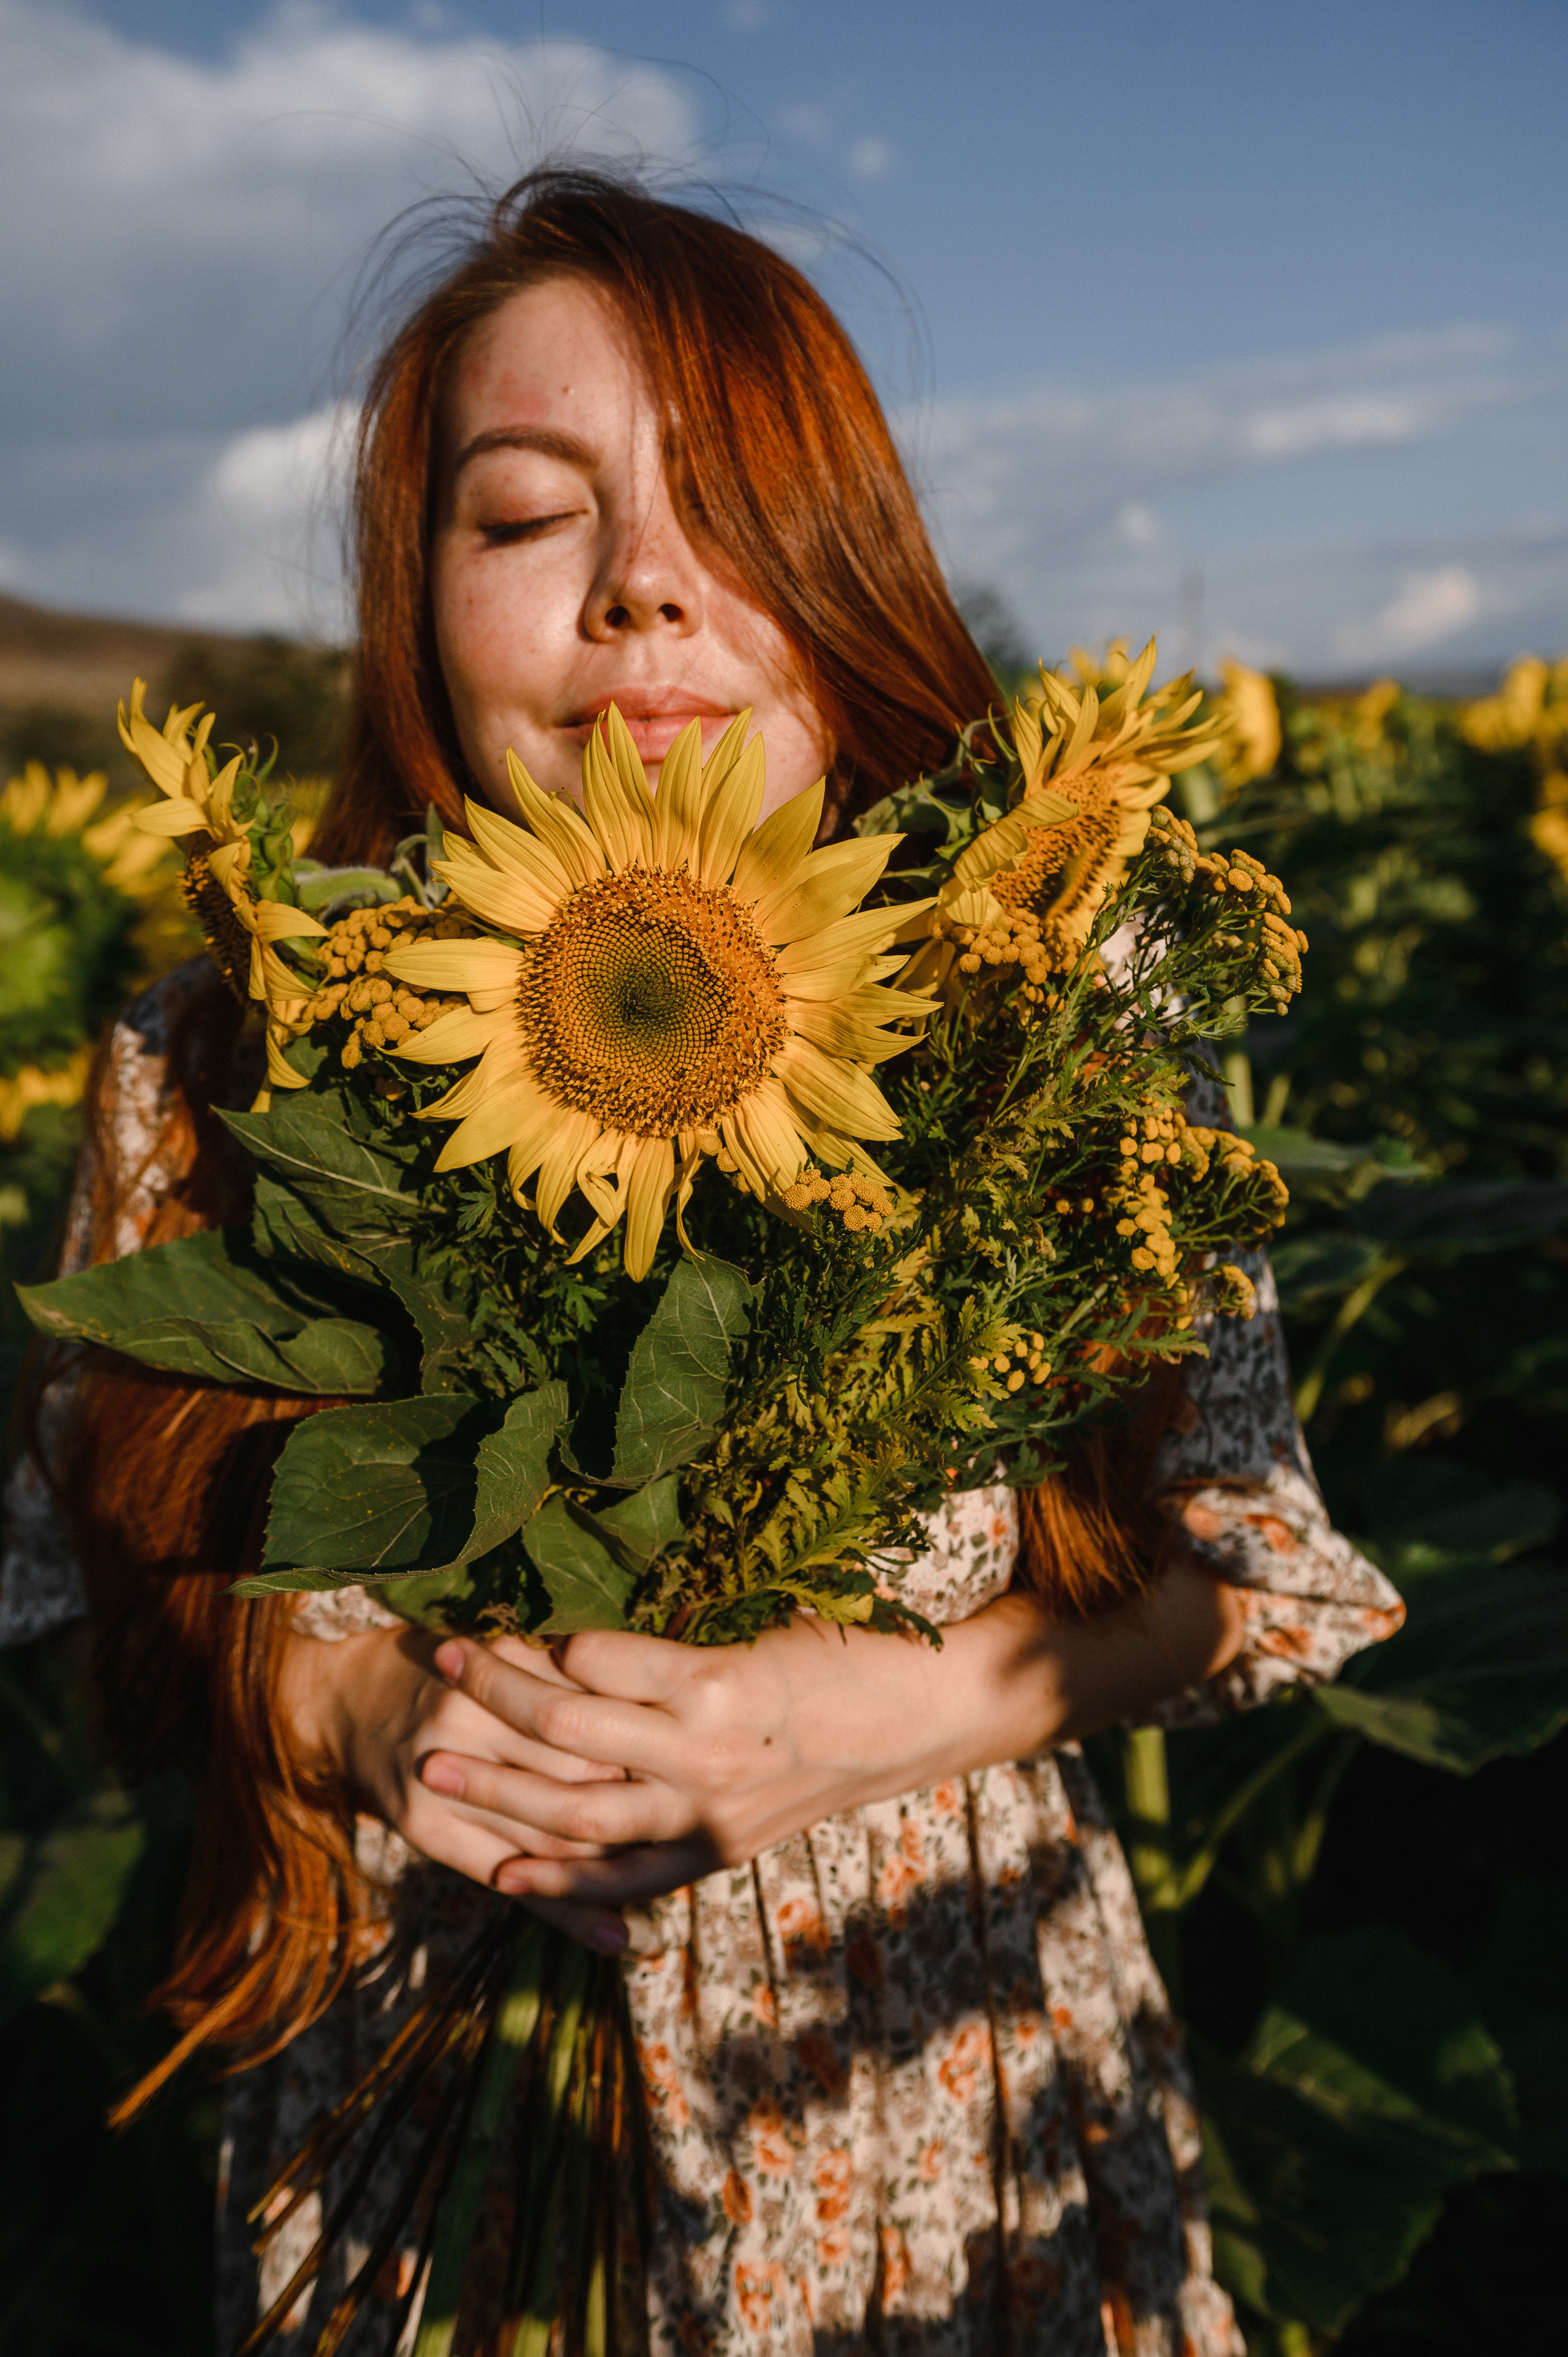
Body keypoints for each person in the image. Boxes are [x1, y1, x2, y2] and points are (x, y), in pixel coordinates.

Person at [1, 170, 1403, 2356]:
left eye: (728, 509)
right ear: (417, 592)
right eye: (529, 514)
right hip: (408, 2139)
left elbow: (1242, 1558)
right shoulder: (224, 1055)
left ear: (850, 570)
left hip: (942, 2118)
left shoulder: (1057, 1038)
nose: (643, 587)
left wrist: (870, 1717)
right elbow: (118, 1550)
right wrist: (364, 1708)